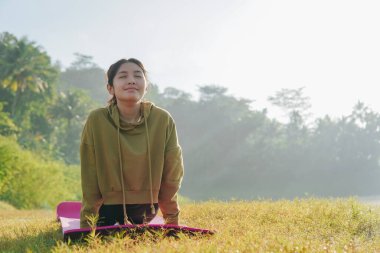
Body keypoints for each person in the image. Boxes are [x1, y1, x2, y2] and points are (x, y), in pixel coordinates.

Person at [79, 58, 184, 228]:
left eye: (137, 75)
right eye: (122, 76)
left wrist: (172, 219)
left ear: (146, 86)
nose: (131, 80)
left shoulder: (162, 119)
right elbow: (89, 173)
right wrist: (87, 222)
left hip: (146, 209)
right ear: (110, 88)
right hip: (107, 209)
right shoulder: (97, 120)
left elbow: (172, 171)